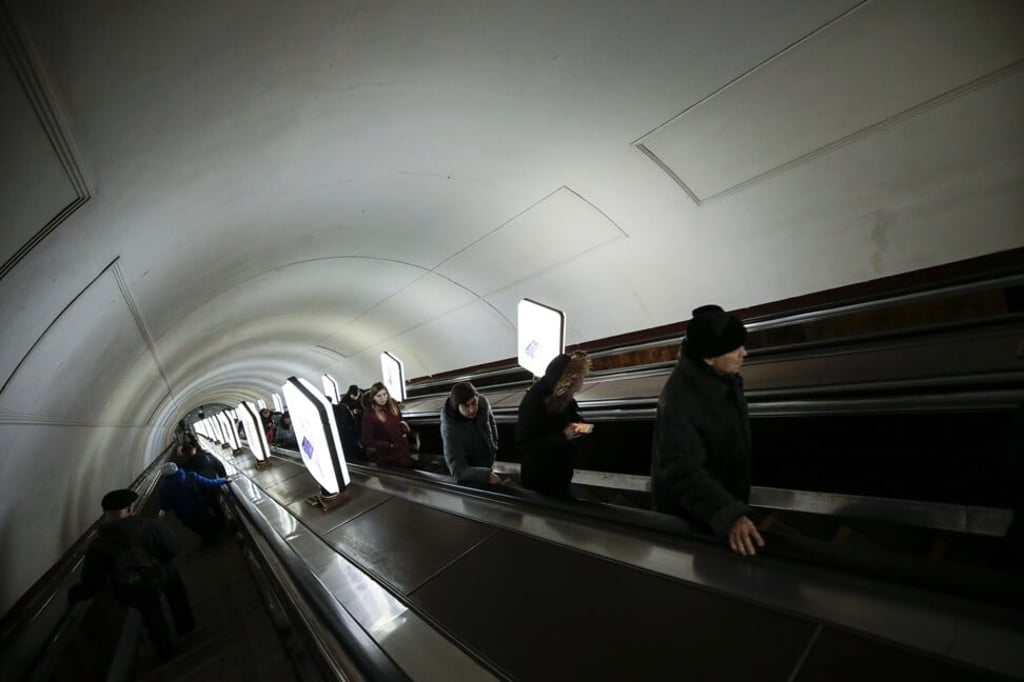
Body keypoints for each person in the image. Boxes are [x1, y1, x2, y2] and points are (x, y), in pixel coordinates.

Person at [651, 304, 764, 556]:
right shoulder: (680, 399)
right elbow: (681, 471)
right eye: (735, 349)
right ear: (709, 357)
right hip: (693, 524)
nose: (744, 353)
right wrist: (729, 514)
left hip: (716, 511)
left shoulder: (722, 380)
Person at [68, 489, 196, 660]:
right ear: (130, 508)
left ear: (106, 513)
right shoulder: (152, 526)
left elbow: (93, 583)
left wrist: (74, 594)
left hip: (135, 585)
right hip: (164, 573)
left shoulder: (98, 547)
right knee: (176, 595)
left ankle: (164, 649)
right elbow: (172, 549)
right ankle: (186, 628)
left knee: (151, 614)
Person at [516, 351, 592, 496]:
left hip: (561, 473)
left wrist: (580, 427)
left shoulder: (564, 396)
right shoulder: (534, 400)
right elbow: (525, 443)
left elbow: (572, 419)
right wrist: (562, 436)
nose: (582, 381)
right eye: (580, 378)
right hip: (539, 479)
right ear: (567, 380)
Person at [441, 382, 504, 485]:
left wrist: (494, 446)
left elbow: (492, 424)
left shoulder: (483, 403)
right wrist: (485, 476)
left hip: (488, 464)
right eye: (466, 406)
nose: (472, 410)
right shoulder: (449, 426)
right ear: (456, 406)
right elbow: (457, 470)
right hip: (471, 479)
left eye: (474, 403)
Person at [158, 462, 230, 543]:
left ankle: (208, 539)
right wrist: (224, 480)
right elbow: (210, 483)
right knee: (207, 522)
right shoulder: (191, 476)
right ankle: (216, 537)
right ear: (177, 468)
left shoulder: (163, 490)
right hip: (199, 508)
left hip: (184, 515)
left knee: (198, 528)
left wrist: (159, 517)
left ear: (164, 475)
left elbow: (164, 507)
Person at [361, 382, 415, 468]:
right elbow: (367, 439)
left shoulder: (392, 404)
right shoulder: (370, 415)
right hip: (388, 455)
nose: (383, 398)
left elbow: (400, 419)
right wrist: (389, 445)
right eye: (379, 396)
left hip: (403, 448)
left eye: (384, 394)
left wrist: (404, 432)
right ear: (373, 398)